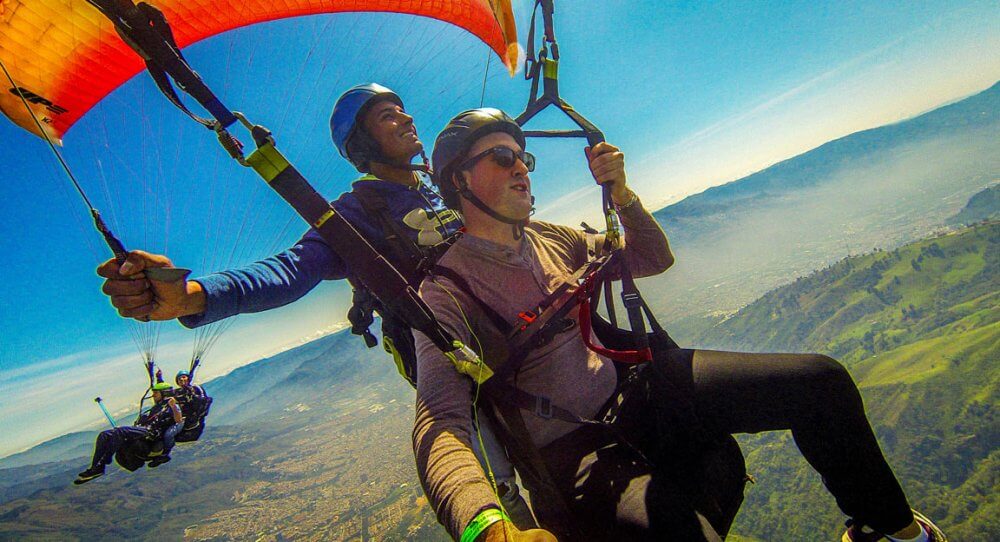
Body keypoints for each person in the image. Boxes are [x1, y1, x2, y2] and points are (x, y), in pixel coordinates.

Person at [410, 108, 947, 542]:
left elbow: (651, 257)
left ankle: (891, 531)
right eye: (502, 157)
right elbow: (439, 420)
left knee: (820, 383)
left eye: (522, 155)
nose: (522, 167)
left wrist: (622, 194)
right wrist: (483, 524)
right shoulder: (447, 290)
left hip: (641, 391)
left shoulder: (549, 237)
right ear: (459, 179)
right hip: (575, 448)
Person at [94, 84, 533, 526]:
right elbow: (290, 270)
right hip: (453, 365)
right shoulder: (352, 215)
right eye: (387, 116)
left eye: (402, 109)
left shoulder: (446, 190)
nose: (406, 119)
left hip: (513, 332)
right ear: (361, 142)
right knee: (501, 484)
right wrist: (195, 297)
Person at [75, 382, 184, 484]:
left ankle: (104, 460)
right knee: (104, 435)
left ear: (164, 393)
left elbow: (178, 420)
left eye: (156, 393)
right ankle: (96, 467)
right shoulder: (158, 406)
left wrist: (174, 406)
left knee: (120, 431)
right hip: (142, 430)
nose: (153, 395)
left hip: (151, 434)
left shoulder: (171, 406)